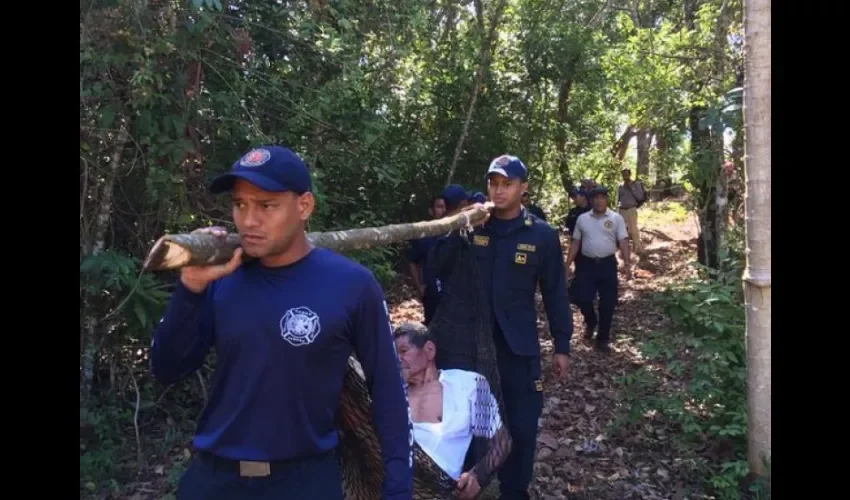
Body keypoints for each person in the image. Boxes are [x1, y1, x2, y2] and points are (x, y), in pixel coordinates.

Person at [150, 145, 413, 500]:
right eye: (240, 204)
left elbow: (387, 390)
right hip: (214, 477)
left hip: (304, 480)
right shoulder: (221, 277)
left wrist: (397, 486)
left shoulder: (351, 285)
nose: (248, 220)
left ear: (304, 206)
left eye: (266, 205)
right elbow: (168, 368)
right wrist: (191, 287)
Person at [432, 154, 573, 500]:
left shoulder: (540, 235)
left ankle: (514, 490)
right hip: (471, 347)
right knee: (469, 422)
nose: (498, 190)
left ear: (523, 189)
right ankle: (465, 485)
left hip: (518, 347)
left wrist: (562, 344)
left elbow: (555, 292)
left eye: (507, 184)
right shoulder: (474, 227)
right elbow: (438, 266)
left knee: (522, 426)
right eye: (493, 183)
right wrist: (458, 225)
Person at [393, 322, 510, 500]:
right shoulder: (392, 395)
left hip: (439, 493)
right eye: (393, 354)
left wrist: (477, 476)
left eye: (403, 351)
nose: (397, 359)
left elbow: (502, 442)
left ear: (429, 350)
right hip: (394, 489)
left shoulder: (468, 385)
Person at [565, 186, 631, 354]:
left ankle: (603, 338)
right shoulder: (582, 219)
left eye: (603, 197)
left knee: (608, 303)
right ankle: (591, 320)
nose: (599, 201)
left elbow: (623, 241)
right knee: (582, 297)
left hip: (608, 265)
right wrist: (567, 265)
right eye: (596, 198)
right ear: (591, 200)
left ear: (607, 199)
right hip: (587, 265)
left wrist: (627, 265)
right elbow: (576, 243)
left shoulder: (616, 218)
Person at [407, 195, 447, 325]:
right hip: (431, 293)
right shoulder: (423, 236)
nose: (443, 210)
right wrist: (419, 287)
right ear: (431, 211)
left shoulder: (454, 234)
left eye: (445, 206)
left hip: (452, 292)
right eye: (439, 207)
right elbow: (412, 261)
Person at [617, 168, 645, 254]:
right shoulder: (620, 186)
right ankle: (624, 250)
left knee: (633, 230)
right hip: (622, 210)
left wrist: (632, 187)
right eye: (623, 174)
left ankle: (639, 249)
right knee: (622, 230)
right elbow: (618, 199)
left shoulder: (636, 184)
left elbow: (640, 197)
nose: (625, 176)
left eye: (626, 174)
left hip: (631, 209)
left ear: (630, 174)